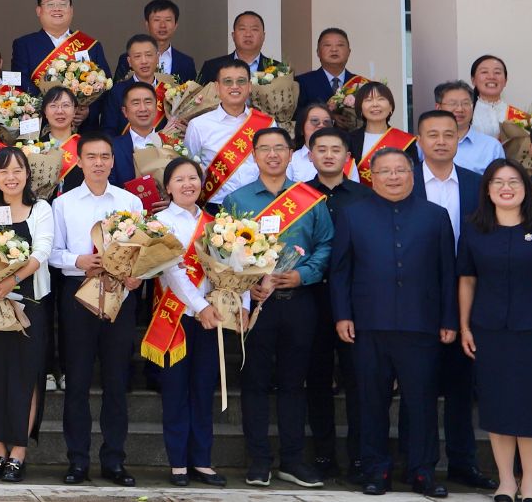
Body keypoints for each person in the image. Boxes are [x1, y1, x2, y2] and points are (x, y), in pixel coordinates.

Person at [330, 147, 458, 498]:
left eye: (400, 170)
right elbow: (340, 272)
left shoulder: (435, 216)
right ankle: (375, 470)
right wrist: (342, 315)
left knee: (421, 401)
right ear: (372, 177)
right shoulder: (353, 214)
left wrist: (449, 318)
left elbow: (448, 272)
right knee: (371, 401)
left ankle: (421, 471)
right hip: (368, 324)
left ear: (412, 175)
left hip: (422, 324)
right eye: (385, 171)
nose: (394, 177)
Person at [222, 126, 334, 489]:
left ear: (290, 154)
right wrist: (246, 286)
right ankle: (258, 461)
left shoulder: (311, 199)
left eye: (279, 148)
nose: (272, 155)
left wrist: (303, 275)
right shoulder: (236, 201)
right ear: (253, 155)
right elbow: (221, 253)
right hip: (256, 306)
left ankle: (293, 460)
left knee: (293, 382)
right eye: (265, 149)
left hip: (299, 302)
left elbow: (326, 245)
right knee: (254, 382)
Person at [457, 159, 532, 502]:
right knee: (497, 407)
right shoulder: (473, 229)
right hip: (488, 330)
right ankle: (506, 481)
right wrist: (464, 326)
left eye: (513, 182)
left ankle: (531, 482)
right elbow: (467, 280)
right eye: (498, 182)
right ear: (487, 189)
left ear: (526, 188)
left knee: (531, 407)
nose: (506, 188)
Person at [50, 135, 144, 487]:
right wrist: (78, 260)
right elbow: (52, 252)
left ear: (113, 161)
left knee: (116, 381)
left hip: (120, 293)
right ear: (80, 161)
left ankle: (114, 460)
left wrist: (138, 275)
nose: (99, 163)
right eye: (91, 157)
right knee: (76, 381)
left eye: (105, 156)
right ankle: (77, 460)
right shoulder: (63, 203)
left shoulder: (130, 201)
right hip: (79, 293)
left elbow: (145, 250)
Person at [409, 109, 492, 491]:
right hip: (416, 295)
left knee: (461, 385)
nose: (441, 141)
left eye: (448, 134)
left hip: (468, 293)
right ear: (419, 141)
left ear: (458, 139)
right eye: (432, 134)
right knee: (419, 385)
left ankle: (463, 462)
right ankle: (418, 463)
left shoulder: (478, 185)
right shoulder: (404, 180)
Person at [141, 155, 226, 488]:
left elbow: (230, 269)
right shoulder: (159, 223)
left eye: (193, 178)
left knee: (203, 391)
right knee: (175, 392)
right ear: (168, 187)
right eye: (179, 179)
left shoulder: (215, 223)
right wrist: (200, 306)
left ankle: (202, 461)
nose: (187, 184)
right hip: (175, 316)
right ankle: (178, 462)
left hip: (209, 318)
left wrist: (229, 303)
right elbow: (172, 272)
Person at [0, 146, 51, 484]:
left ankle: (18, 454)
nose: (11, 177)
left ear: (28, 174)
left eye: (18, 170)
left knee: (25, 379)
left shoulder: (41, 208)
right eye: (4, 171)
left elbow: (42, 251)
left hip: (30, 303)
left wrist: (12, 281)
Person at [303, 128, 371, 481]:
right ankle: (323, 455)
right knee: (316, 380)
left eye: (335, 149)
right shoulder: (298, 196)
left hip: (355, 301)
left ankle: (359, 457)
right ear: (310, 155)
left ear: (348, 156)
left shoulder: (365, 197)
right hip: (310, 298)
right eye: (321, 149)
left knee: (358, 380)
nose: (328, 155)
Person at [183, 60, 273, 206]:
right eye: (228, 82)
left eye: (241, 81)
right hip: (215, 206)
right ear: (217, 87)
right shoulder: (198, 125)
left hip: (260, 204)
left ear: (250, 86)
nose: (235, 86)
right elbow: (189, 168)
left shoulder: (267, 123)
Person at [11, 0, 104, 96]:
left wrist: (84, 106)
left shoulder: (91, 46)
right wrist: (46, 103)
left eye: (63, 4)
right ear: (39, 11)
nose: (57, 9)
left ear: (71, 10)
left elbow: (104, 85)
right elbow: (19, 82)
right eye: (50, 4)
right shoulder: (23, 45)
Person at [434, 80, 505, 174]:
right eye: (452, 103)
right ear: (438, 108)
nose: (460, 109)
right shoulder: (425, 144)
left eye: (466, 103)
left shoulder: (491, 147)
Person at [100, 34, 164, 137]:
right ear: (129, 61)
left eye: (148, 55)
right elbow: (108, 131)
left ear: (157, 58)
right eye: (137, 56)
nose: (144, 61)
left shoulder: (167, 91)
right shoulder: (117, 92)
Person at [117, 0, 195, 82]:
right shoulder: (127, 59)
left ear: (175, 25)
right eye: (157, 20)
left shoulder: (186, 63)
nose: (162, 25)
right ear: (147, 24)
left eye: (168, 20)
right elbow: (118, 88)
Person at [198, 11, 284, 84]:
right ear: (233, 35)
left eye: (254, 29)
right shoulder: (211, 67)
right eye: (242, 29)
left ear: (263, 36)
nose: (248, 34)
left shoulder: (279, 70)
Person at [355, 81, 413, 180]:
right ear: (360, 108)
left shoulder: (407, 141)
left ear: (390, 106)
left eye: (381, 99)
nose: (375, 104)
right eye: (368, 100)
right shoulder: (349, 140)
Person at [295, 28, 361, 110]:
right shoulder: (302, 82)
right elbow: (297, 114)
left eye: (340, 45)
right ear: (318, 52)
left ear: (349, 52)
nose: (334, 49)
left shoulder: (360, 83)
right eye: (327, 45)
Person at [468, 54, 525, 141]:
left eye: (497, 72)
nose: (491, 77)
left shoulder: (520, 117)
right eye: (484, 72)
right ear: (473, 80)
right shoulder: (465, 113)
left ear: (505, 81)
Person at [287, 102, 335, 184]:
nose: (321, 125)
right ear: (301, 128)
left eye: (327, 122)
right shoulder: (290, 160)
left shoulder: (344, 160)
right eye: (315, 121)